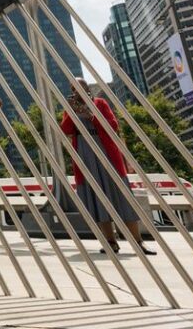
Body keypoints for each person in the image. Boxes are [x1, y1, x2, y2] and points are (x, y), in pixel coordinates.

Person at [60, 80, 155, 255]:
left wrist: (90, 115)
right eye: (74, 89)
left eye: (81, 88)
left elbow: (113, 125)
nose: (78, 92)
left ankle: (138, 241)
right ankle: (110, 241)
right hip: (84, 152)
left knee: (122, 196)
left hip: (105, 150)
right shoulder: (71, 107)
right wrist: (72, 112)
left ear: (88, 89)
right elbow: (65, 129)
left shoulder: (100, 103)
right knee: (97, 198)